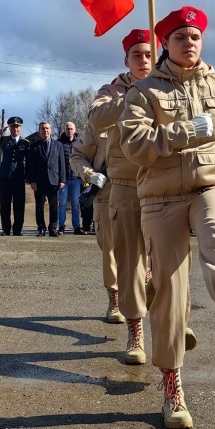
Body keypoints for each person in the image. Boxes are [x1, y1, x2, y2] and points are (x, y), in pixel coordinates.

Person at [120, 6, 215, 429]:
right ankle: (172, 384)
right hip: (160, 198)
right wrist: (185, 132)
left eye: (195, 36)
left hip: (208, 185)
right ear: (165, 44)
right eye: (180, 37)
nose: (190, 43)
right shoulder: (144, 91)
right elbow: (135, 146)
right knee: (168, 290)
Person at [89, 29, 155, 365]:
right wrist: (131, 97)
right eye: (137, 55)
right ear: (126, 60)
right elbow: (97, 116)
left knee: (164, 265)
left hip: (162, 183)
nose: (144, 60)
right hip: (125, 186)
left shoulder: (168, 84)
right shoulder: (112, 89)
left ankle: (170, 324)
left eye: (149, 54)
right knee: (128, 263)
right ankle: (136, 334)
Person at [69, 122, 121, 322]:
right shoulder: (100, 123)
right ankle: (115, 300)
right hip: (106, 195)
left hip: (140, 194)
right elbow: (77, 156)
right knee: (109, 248)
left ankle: (141, 291)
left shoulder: (147, 111)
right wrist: (90, 174)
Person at [0, 116, 30, 236]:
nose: (15, 129)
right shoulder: (4, 140)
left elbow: (29, 161)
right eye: (13, 127)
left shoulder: (25, 143)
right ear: (9, 128)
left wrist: (28, 176)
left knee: (19, 205)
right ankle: (6, 229)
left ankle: (17, 230)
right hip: (6, 177)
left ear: (20, 128)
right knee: (5, 205)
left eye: (17, 127)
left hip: (19, 178)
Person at [26, 121, 66, 236]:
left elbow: (62, 163)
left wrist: (62, 180)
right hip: (39, 181)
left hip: (54, 180)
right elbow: (30, 165)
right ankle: (41, 228)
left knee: (54, 206)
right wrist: (32, 180)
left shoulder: (58, 145)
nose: (45, 131)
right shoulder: (34, 146)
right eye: (43, 129)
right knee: (39, 206)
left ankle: (53, 228)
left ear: (51, 130)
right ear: (40, 131)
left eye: (47, 128)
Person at [57, 122, 83, 235]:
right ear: (65, 130)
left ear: (75, 130)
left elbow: (83, 159)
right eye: (67, 129)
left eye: (71, 129)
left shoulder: (80, 143)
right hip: (63, 179)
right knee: (62, 203)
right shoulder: (59, 143)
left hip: (76, 178)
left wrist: (83, 175)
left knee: (75, 203)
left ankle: (76, 226)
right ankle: (61, 226)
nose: (69, 131)